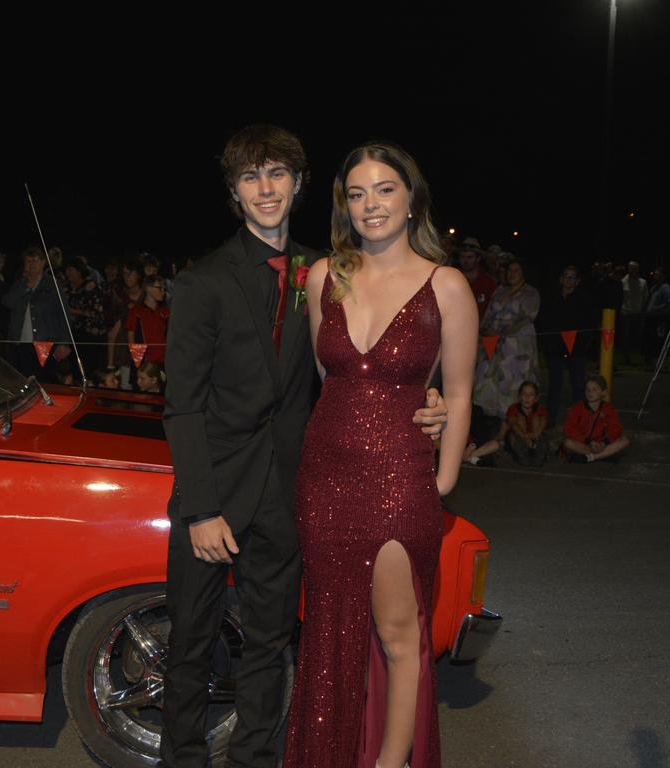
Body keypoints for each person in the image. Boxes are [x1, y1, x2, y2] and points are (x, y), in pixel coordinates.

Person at [160, 125, 449, 768]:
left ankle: (256, 760)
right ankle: (182, 760)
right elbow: (182, 406)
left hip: (295, 490)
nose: (266, 189)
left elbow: (363, 371)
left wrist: (434, 406)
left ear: (298, 183)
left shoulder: (329, 275)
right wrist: (202, 508)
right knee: (191, 643)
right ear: (233, 191)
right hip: (215, 492)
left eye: (278, 174)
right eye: (250, 177)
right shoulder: (203, 282)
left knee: (268, 645)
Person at [286, 142, 475, 768]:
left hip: (400, 478)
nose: (372, 204)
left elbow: (461, 389)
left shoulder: (445, 284)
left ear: (411, 196)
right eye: (358, 193)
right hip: (323, 478)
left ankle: (389, 762)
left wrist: (442, 476)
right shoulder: (323, 278)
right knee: (330, 632)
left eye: (385, 189)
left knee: (399, 634)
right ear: (346, 204)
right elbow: (329, 374)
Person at [472, 258, 540, 418]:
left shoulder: (531, 293)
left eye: (516, 270)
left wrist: (501, 334)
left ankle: (514, 420)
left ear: (523, 273)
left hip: (516, 347)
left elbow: (526, 318)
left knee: (513, 383)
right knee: (488, 380)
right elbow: (488, 314)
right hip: (492, 346)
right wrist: (485, 332)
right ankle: (488, 418)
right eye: (510, 270)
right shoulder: (499, 290)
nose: (512, 274)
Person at [2, 246, 71, 380]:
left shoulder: (52, 285)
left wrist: (64, 343)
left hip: (44, 345)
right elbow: (7, 303)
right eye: (28, 261)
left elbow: (64, 315)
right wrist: (25, 287)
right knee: (21, 380)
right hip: (20, 343)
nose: (32, 264)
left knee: (44, 380)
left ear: (43, 262)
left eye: (36, 261)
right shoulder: (19, 284)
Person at [538, 265, 594, 426]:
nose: (569, 280)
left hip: (577, 350)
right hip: (555, 349)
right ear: (561, 279)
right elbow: (543, 322)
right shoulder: (551, 297)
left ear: (577, 281)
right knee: (555, 385)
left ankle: (580, 419)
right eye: (566, 276)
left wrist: (584, 345)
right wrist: (548, 344)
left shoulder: (584, 299)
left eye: (573, 277)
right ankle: (551, 418)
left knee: (578, 386)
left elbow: (590, 325)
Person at [562, 374, 630, 462]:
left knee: (624, 441)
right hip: (584, 443)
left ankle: (592, 457)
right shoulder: (577, 408)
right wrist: (588, 442)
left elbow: (615, 429)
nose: (590, 392)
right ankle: (604, 455)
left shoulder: (608, 409)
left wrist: (604, 443)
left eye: (594, 389)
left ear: (603, 392)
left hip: (600, 445)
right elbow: (568, 429)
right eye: (588, 389)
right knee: (568, 443)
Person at [126, 274, 170, 365]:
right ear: (148, 288)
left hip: (164, 360)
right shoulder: (136, 311)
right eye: (159, 288)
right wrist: (137, 361)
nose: (163, 291)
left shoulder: (166, 312)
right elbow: (131, 335)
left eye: (164, 289)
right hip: (145, 362)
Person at [503, 381, 550, 467]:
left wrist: (536, 434)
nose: (527, 397)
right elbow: (513, 424)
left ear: (536, 398)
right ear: (519, 396)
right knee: (520, 419)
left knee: (537, 419)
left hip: (535, 436)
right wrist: (525, 437)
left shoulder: (541, 409)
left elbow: (543, 422)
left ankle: (538, 456)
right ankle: (522, 456)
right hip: (520, 437)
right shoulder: (513, 408)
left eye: (531, 395)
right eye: (524, 394)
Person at [457, 238, 497, 322]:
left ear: (478, 259)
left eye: (470, 257)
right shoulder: (452, 279)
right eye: (462, 257)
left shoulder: (489, 283)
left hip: (481, 330)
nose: (465, 261)